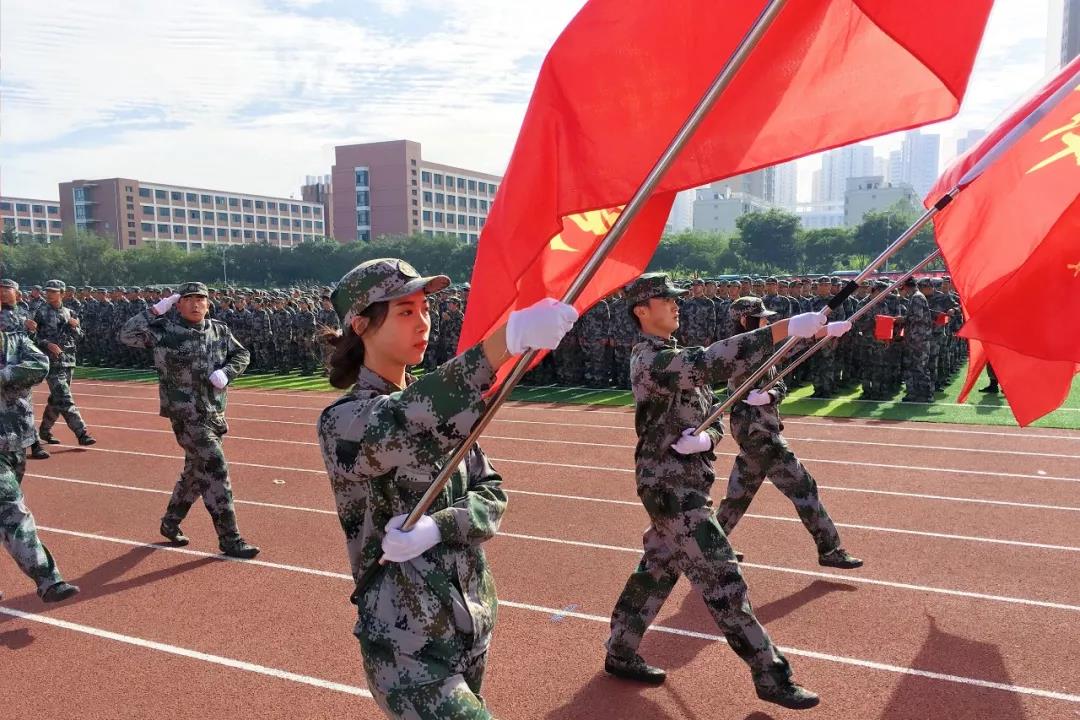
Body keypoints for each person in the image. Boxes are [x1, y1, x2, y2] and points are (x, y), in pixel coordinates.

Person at [316, 258, 577, 720]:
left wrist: (439, 526)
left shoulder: (443, 405)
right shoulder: (343, 422)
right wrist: (504, 341)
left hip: (468, 623)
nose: (423, 322)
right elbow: (404, 417)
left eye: (425, 309)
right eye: (405, 312)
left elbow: (490, 491)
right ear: (361, 325)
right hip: (406, 646)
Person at [604, 273, 829, 711]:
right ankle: (770, 674)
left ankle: (620, 649)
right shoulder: (650, 359)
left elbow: (716, 413)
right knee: (723, 578)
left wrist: (707, 439)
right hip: (669, 488)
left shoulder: (672, 353)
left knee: (657, 569)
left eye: (675, 298)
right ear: (641, 311)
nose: (676, 304)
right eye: (665, 300)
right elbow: (709, 362)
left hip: (689, 482)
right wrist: (783, 328)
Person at [714, 297, 862, 569]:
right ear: (745, 320)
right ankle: (830, 549)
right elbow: (784, 347)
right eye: (761, 318)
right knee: (804, 487)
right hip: (758, 432)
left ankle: (711, 548)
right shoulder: (739, 349)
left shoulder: (761, 347)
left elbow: (785, 359)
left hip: (761, 428)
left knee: (738, 496)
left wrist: (825, 331)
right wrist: (821, 331)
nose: (767, 322)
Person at [119, 282, 259, 559]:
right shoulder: (165, 331)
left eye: (200, 299)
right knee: (215, 468)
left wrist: (228, 372)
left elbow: (242, 354)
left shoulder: (219, 330)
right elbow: (127, 335)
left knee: (195, 473)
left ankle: (170, 522)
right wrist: (156, 310)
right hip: (186, 415)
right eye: (188, 299)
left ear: (208, 303)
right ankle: (230, 539)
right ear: (178, 304)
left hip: (214, 413)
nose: (196, 304)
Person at [0, 326, 80, 602]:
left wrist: (4, 375)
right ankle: (49, 580)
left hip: (16, 441)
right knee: (12, 510)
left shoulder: (17, 341)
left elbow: (40, 365)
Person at [34, 280, 95, 447]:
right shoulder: (40, 312)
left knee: (57, 398)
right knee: (65, 397)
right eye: (47, 291)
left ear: (62, 293)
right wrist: (47, 344)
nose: (49, 294)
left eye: (53, 291)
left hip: (68, 361)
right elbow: (32, 337)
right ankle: (82, 433)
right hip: (51, 361)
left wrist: (75, 327)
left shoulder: (70, 312)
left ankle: (45, 430)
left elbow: (80, 337)